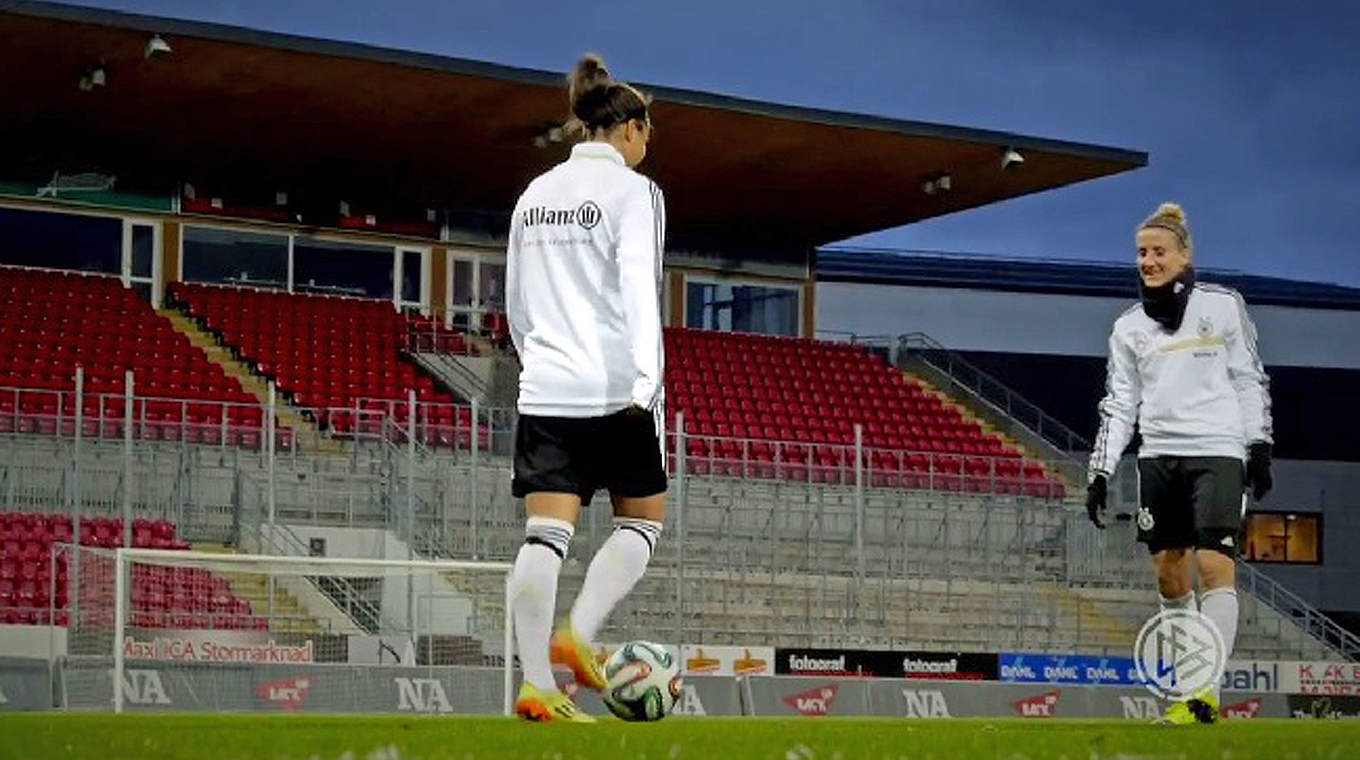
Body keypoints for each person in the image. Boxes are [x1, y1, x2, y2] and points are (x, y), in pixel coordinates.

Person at [503, 54, 665, 723]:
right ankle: (580, 633)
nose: (648, 144)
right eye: (648, 131)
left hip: (545, 389)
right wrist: (647, 384)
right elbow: (639, 290)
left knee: (545, 536)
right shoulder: (635, 192)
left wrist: (538, 363)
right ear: (627, 128)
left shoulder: (534, 194)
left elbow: (514, 302)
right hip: (615, 389)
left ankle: (536, 683)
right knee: (642, 521)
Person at [1086, 202, 1273, 725]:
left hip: (1218, 448)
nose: (1148, 260)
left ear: (1185, 255)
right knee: (1169, 576)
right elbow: (1120, 403)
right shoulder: (1127, 329)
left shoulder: (1223, 307)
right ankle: (1193, 689)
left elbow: (1247, 378)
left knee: (1214, 567)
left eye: (1158, 251)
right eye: (1141, 253)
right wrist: (1100, 471)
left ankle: (1201, 695)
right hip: (1159, 456)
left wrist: (1258, 444)